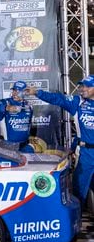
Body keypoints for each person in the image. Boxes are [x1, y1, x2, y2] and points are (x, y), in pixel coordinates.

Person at [26, 75, 94, 205]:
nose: (83, 89)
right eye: (82, 85)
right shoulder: (77, 102)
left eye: (88, 86)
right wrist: (37, 92)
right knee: (79, 189)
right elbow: (58, 99)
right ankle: (77, 222)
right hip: (86, 153)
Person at [0, 81, 34, 153]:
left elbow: (29, 126)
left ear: (25, 92)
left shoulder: (29, 106)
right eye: (14, 90)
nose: (15, 93)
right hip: (7, 146)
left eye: (19, 91)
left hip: (24, 145)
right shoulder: (5, 102)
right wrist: (5, 108)